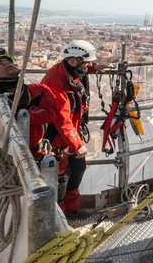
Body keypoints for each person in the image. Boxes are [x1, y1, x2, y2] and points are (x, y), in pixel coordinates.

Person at [41, 41, 108, 215]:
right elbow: (61, 119)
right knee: (61, 177)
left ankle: (72, 208)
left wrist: (93, 68)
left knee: (78, 168)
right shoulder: (55, 82)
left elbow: (78, 70)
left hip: (70, 133)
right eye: (86, 64)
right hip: (58, 137)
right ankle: (60, 215)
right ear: (73, 61)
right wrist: (76, 144)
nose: (87, 67)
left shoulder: (68, 70)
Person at [0, 49, 59, 159]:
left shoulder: (39, 90)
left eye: (8, 61)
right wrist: (29, 113)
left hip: (35, 156)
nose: (7, 64)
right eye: (0, 64)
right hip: (2, 157)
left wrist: (16, 114)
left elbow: (50, 114)